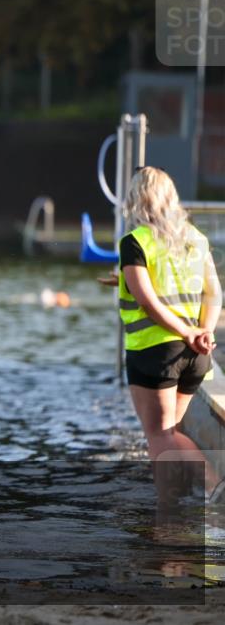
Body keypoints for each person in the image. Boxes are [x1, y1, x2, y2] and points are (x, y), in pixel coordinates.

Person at [111, 167, 221, 499]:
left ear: (135, 200)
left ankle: (200, 493)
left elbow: (147, 301)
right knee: (169, 433)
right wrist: (204, 332)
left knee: (158, 436)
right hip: (194, 356)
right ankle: (188, 498)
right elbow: (213, 293)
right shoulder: (196, 239)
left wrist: (188, 332)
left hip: (155, 353)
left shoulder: (135, 242)